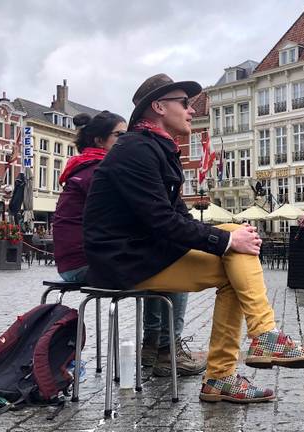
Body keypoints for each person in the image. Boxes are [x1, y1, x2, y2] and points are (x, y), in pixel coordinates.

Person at [83, 73, 304, 404]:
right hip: (123, 262)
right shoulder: (136, 151)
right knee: (232, 251)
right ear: (158, 107)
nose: (191, 111)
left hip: (144, 253)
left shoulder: (154, 148)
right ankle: (241, 358)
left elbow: (177, 217)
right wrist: (225, 242)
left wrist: (227, 238)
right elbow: (162, 220)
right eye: (184, 103)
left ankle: (242, 358)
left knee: (234, 250)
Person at [52, 111, 204, 377]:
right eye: (120, 136)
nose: (126, 142)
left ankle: (152, 346)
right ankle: (167, 349)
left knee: (159, 262)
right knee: (175, 265)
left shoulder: (83, 166)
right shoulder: (101, 169)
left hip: (74, 261)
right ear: (100, 140)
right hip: (89, 262)